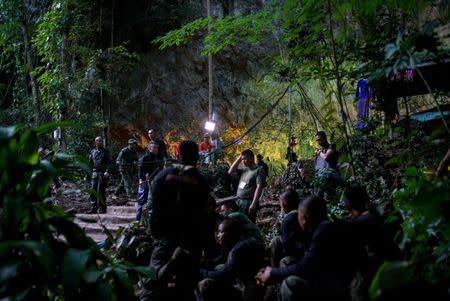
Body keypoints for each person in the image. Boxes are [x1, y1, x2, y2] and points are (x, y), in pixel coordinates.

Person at [256, 195, 364, 301]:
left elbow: (306, 267)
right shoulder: (327, 226)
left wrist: (273, 273)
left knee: (290, 284)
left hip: (340, 288)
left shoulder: (323, 231)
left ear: (304, 218)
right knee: (287, 262)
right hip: (336, 278)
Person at [140, 140, 210, 301]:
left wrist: (156, 233)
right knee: (185, 287)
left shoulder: (162, 176)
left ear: (177, 154)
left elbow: (154, 207)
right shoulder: (201, 181)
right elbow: (203, 213)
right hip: (190, 242)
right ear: (197, 157)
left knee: (153, 283)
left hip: (165, 237)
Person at [197, 219, 265, 301]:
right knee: (219, 267)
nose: (218, 235)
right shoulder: (234, 246)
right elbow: (220, 261)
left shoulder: (239, 249)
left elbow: (225, 274)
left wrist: (201, 273)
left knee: (206, 284)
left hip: (245, 292)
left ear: (230, 234)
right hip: (241, 285)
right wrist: (203, 264)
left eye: (220, 232)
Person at [270, 188, 309, 268]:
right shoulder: (305, 212)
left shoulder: (288, 220)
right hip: (307, 248)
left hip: (302, 254)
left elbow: (287, 248)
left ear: (283, 205)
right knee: (276, 240)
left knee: (285, 261)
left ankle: (276, 273)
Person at [228, 149, 267, 222]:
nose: (243, 161)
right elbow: (230, 172)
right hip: (238, 200)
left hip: (248, 202)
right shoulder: (245, 169)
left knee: (247, 224)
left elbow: (259, 188)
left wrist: (254, 204)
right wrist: (240, 158)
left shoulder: (259, 170)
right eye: (242, 159)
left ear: (251, 158)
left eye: (245, 159)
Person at [136, 142, 161, 222]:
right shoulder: (145, 158)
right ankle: (137, 220)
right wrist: (140, 180)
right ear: (150, 149)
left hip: (153, 182)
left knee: (151, 201)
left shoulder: (156, 158)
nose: (157, 149)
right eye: (155, 147)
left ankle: (147, 221)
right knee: (142, 201)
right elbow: (140, 169)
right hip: (145, 181)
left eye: (157, 147)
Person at [87, 136, 110, 214]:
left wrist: (107, 171)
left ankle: (102, 208)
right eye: (98, 141)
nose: (100, 142)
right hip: (94, 173)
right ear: (95, 142)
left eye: (101, 141)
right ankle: (93, 207)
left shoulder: (105, 151)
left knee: (101, 191)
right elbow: (90, 164)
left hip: (102, 173)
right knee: (93, 190)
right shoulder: (92, 152)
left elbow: (109, 163)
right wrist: (87, 174)